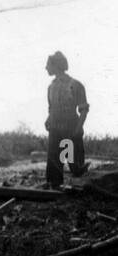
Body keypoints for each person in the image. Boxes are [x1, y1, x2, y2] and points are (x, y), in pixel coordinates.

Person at [45, 51, 89, 188]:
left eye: (48, 65)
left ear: (56, 65)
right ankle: (55, 188)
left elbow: (83, 110)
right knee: (54, 162)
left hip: (70, 128)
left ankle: (81, 187)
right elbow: (52, 107)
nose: (46, 68)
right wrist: (48, 119)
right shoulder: (51, 87)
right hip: (55, 129)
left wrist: (77, 129)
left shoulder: (75, 85)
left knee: (74, 164)